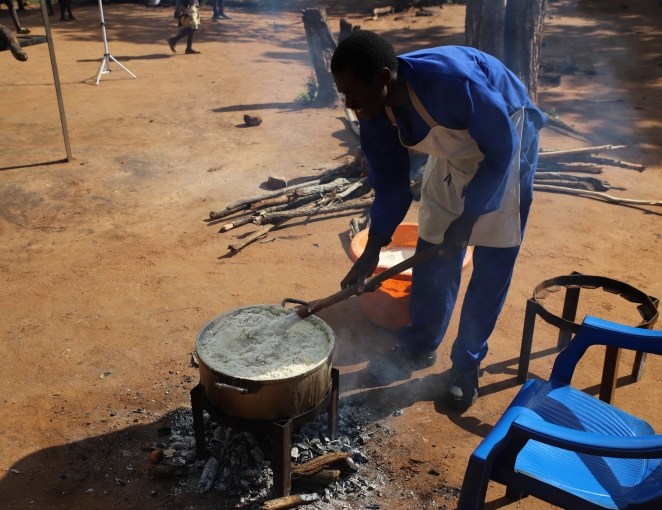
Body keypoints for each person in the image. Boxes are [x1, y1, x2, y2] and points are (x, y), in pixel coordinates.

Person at [331, 31, 545, 410]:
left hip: (505, 140)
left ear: (383, 77)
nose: (349, 104)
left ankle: (466, 365)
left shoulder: (453, 85)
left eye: (353, 93)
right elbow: (391, 186)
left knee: (492, 262)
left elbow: (500, 150)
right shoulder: (374, 113)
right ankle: (419, 347)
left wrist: (468, 219)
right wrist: (374, 248)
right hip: (456, 153)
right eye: (342, 95)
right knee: (433, 246)